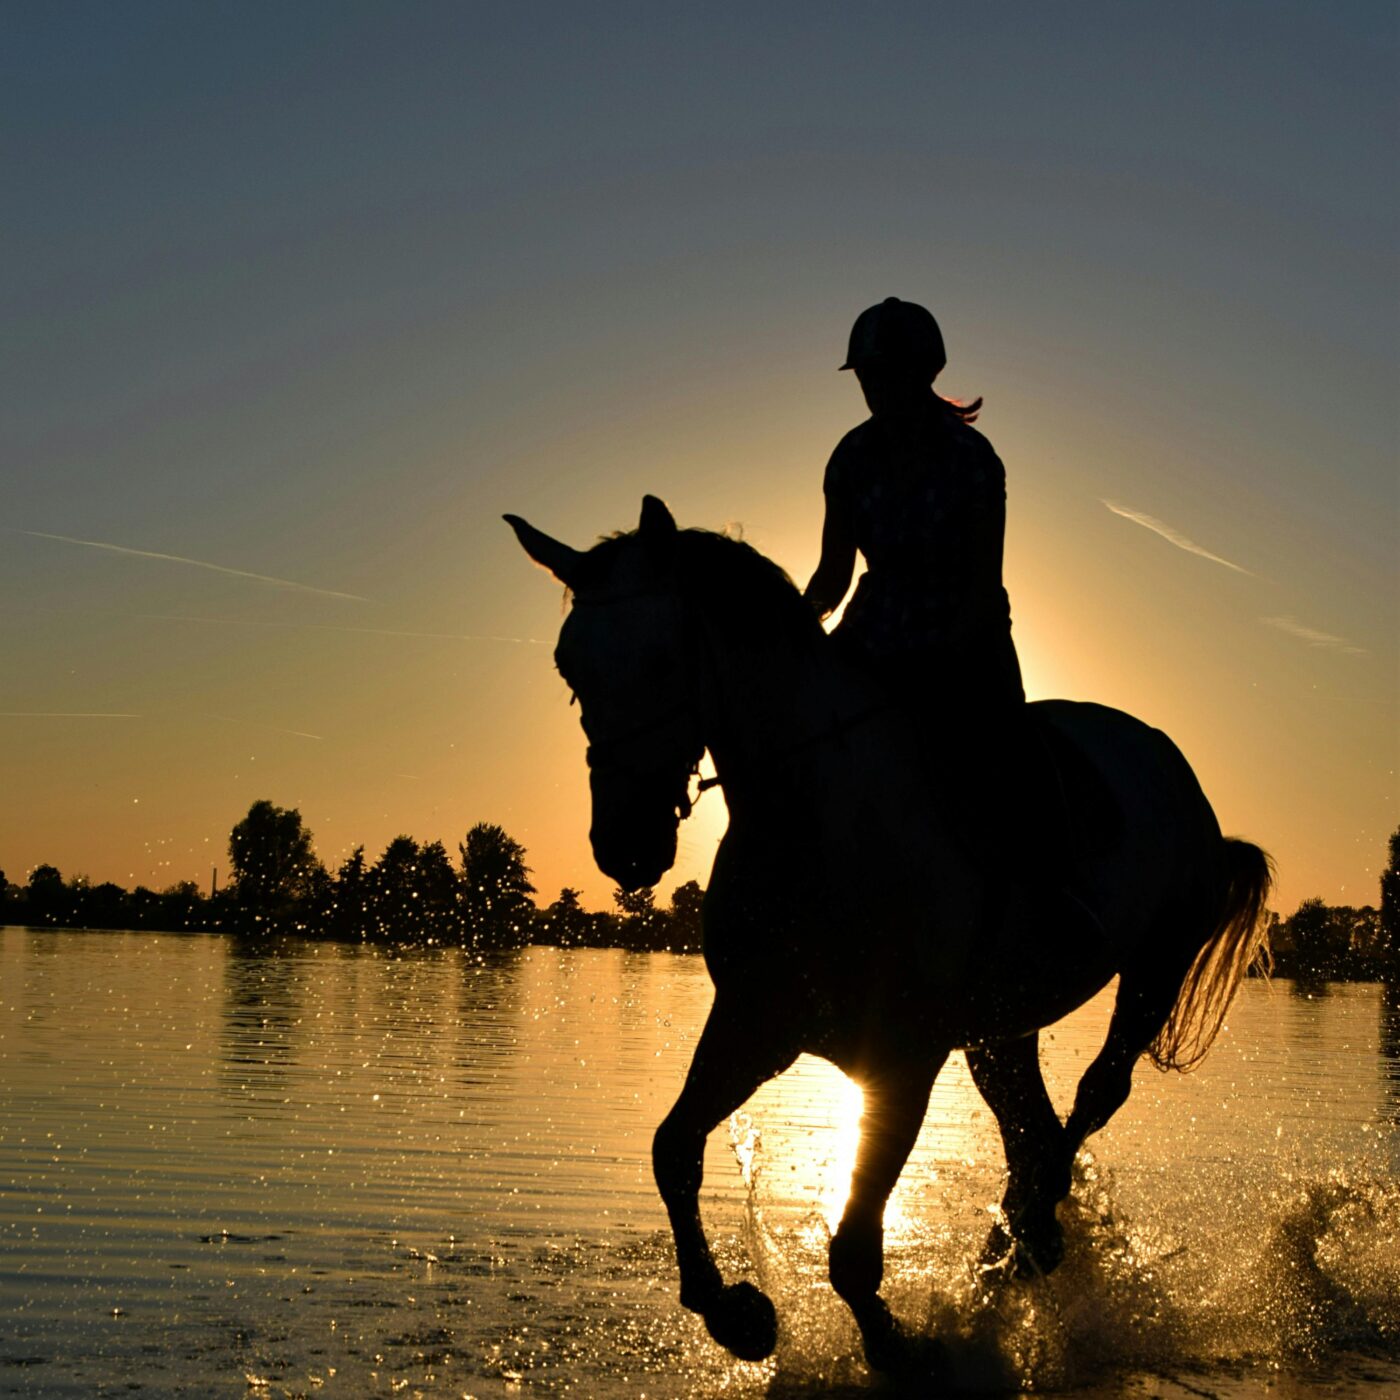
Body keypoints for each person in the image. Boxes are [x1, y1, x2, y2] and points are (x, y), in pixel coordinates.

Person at [804, 296, 1024, 748]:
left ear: (925, 371)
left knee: (1010, 764)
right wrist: (794, 632)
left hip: (966, 644)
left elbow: (984, 584)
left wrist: (944, 659)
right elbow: (833, 574)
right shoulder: (849, 459)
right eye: (868, 376)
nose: (876, 388)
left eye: (888, 373)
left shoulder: (973, 458)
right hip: (871, 635)